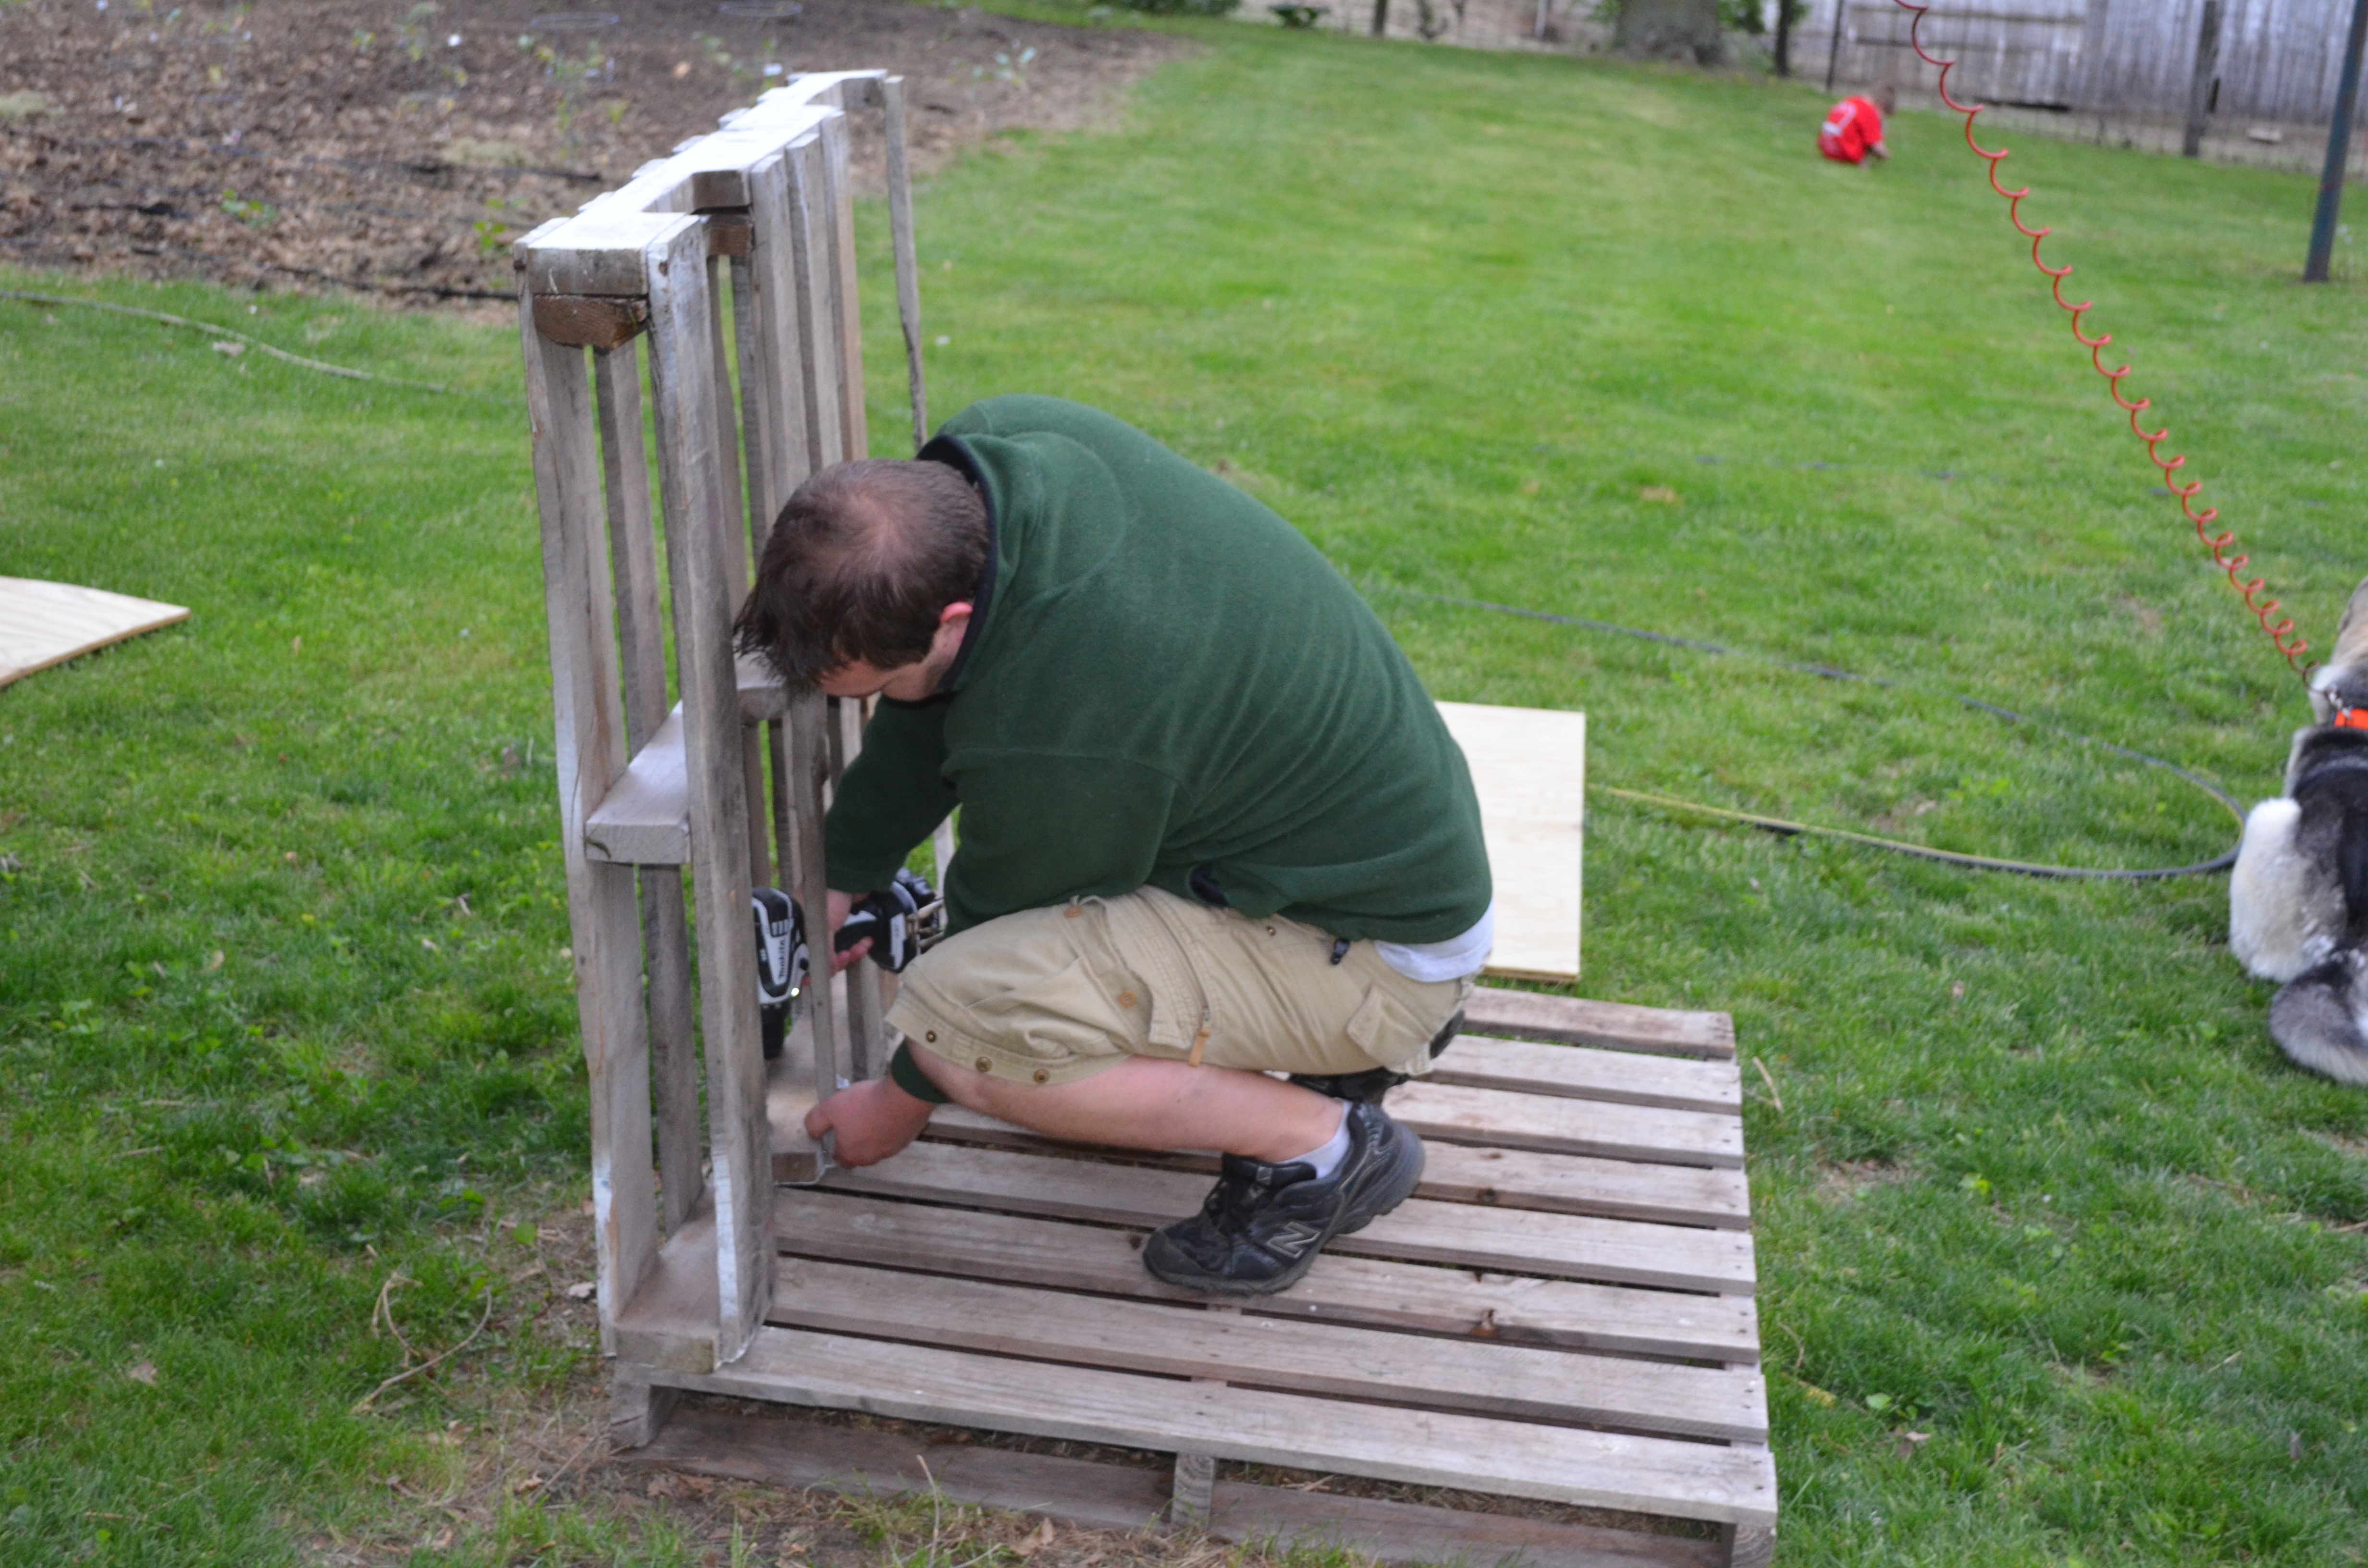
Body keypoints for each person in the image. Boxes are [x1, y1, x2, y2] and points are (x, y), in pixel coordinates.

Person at [735, 395, 1494, 1297]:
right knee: (981, 1006)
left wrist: (898, 1099)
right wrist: (846, 872)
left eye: (879, 680)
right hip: (1362, 871)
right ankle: (1335, 1050)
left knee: (958, 1023)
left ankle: (1325, 1150)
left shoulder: (1071, 716)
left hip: (1378, 950)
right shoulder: (1007, 456)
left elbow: (998, 951)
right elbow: (929, 700)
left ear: (950, 616)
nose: (877, 697)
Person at [1819, 84, 1896, 166]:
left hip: (1826, 148)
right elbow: (1877, 147)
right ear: (1881, 106)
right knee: (1881, 127)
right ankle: (1863, 163)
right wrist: (1885, 154)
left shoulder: (1851, 101)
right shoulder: (1869, 112)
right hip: (1843, 153)